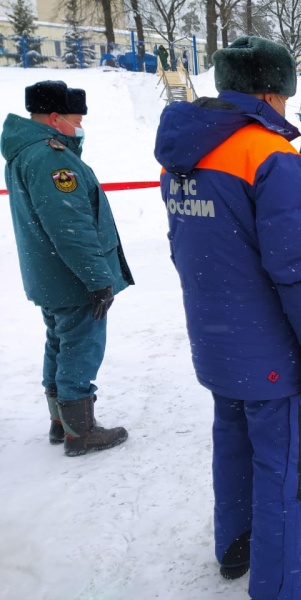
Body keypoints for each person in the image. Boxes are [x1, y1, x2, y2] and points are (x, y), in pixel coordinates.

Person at [153, 37, 301, 600]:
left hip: (216, 340)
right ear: (269, 91)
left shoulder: (186, 152)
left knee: (232, 442)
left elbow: (186, 246)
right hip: (270, 351)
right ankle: (282, 589)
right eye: (283, 93)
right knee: (287, 466)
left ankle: (235, 544)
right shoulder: (270, 156)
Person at [1, 80, 132, 456]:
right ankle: (81, 432)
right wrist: (96, 279)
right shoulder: (51, 157)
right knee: (80, 345)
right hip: (71, 277)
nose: (80, 126)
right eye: (76, 120)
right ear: (55, 119)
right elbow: (69, 226)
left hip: (50, 275)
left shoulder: (26, 152)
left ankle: (62, 422)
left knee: (59, 342)